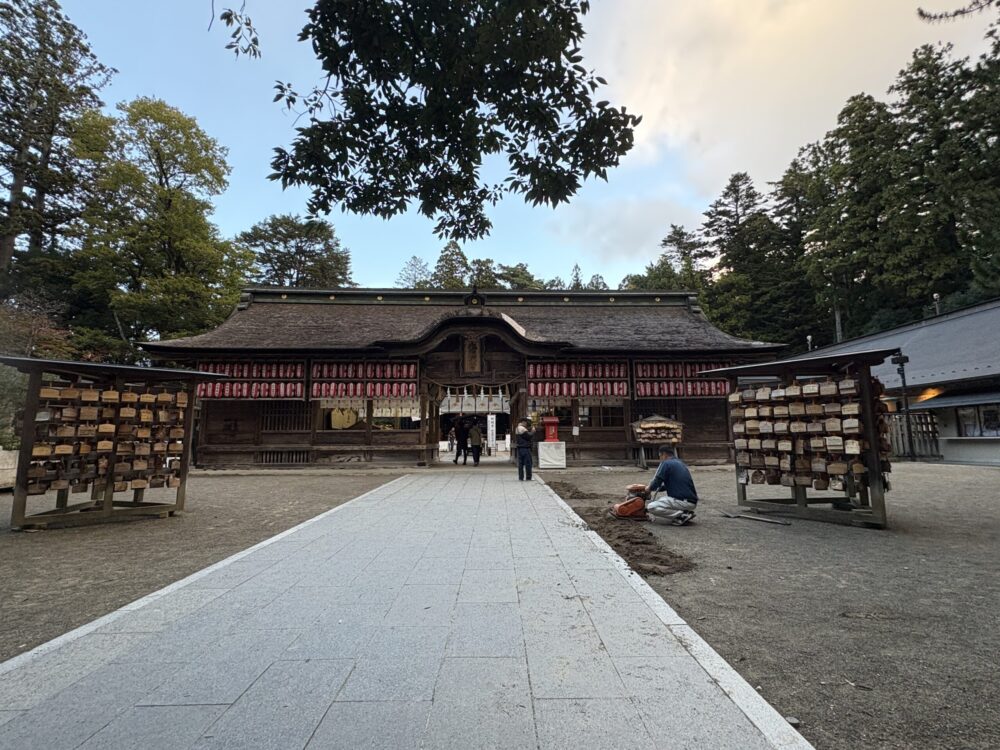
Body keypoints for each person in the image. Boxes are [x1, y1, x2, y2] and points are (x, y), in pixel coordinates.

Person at [644, 446, 698, 525]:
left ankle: (681, 515)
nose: (660, 458)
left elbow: (658, 480)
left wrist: (649, 488)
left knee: (651, 507)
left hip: (682, 501)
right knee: (662, 500)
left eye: (660, 456)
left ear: (664, 454)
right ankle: (684, 512)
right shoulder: (680, 463)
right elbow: (670, 484)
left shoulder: (666, 463)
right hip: (690, 501)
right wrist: (655, 488)